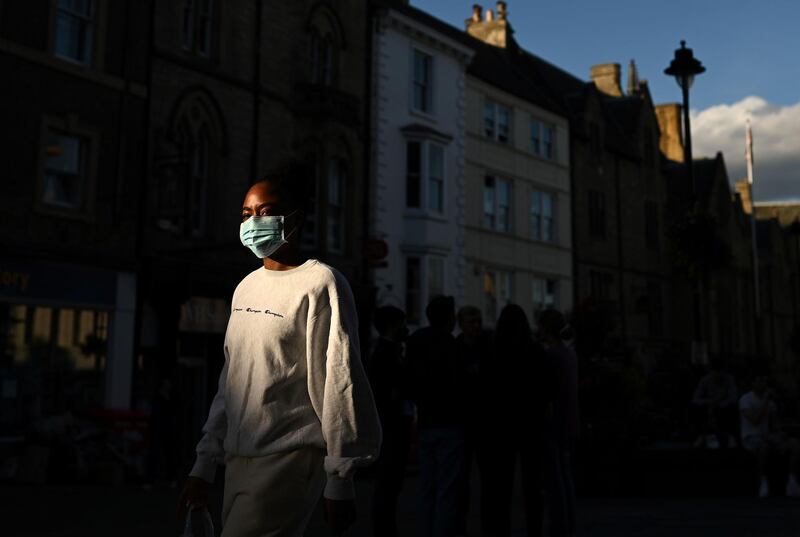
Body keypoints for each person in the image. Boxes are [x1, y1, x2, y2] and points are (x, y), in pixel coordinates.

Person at [177, 161, 382, 536]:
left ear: (295, 219)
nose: (253, 222)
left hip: (289, 458)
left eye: (266, 212)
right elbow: (232, 380)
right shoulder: (245, 287)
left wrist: (340, 478)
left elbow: (339, 380)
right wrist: (204, 464)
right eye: (246, 214)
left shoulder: (321, 284)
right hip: (239, 459)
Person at [481, 304, 549, 537]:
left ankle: (497, 529)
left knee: (499, 485)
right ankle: (534, 529)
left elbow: (485, 391)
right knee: (532, 485)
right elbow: (547, 389)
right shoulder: (535, 352)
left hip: (500, 425)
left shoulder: (493, 352)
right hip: (530, 424)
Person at [406, 295, 466, 537]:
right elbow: (460, 383)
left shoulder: (417, 341)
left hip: (427, 420)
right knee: (447, 487)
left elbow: (410, 380)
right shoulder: (452, 345)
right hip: (450, 421)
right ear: (449, 318)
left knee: (427, 485)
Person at [366, 305, 411, 537]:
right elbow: (390, 391)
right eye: (402, 323)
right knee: (388, 483)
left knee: (389, 484)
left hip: (390, 424)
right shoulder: (386, 353)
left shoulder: (387, 350)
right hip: (391, 426)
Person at [538, 309, 578, 537]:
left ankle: (560, 526)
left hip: (554, 423)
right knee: (565, 476)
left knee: (555, 480)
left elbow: (547, 392)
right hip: (569, 422)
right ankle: (568, 524)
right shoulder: (570, 353)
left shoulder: (551, 355)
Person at [454, 305, 492, 536]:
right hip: (465, 421)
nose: (476, 326)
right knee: (462, 477)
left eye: (478, 321)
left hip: (482, 422)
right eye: (472, 321)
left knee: (485, 477)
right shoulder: (458, 349)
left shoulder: (486, 347)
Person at [739, 373, 800, 498]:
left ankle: (792, 480)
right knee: (764, 447)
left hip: (768, 436)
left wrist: (781, 435)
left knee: (795, 444)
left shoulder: (771, 402)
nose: (763, 384)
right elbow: (755, 420)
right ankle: (763, 481)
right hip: (751, 438)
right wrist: (766, 401)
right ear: (753, 384)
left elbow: (775, 424)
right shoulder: (745, 400)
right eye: (759, 381)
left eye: (764, 382)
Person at [692, 358, 738, 449]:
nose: (716, 375)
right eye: (714, 372)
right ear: (710, 371)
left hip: (723, 410)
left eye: (719, 372)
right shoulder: (705, 380)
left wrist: (719, 404)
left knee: (732, 408)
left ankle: (730, 435)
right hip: (708, 409)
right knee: (695, 408)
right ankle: (701, 435)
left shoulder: (729, 379)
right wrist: (710, 402)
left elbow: (733, 398)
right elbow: (696, 399)